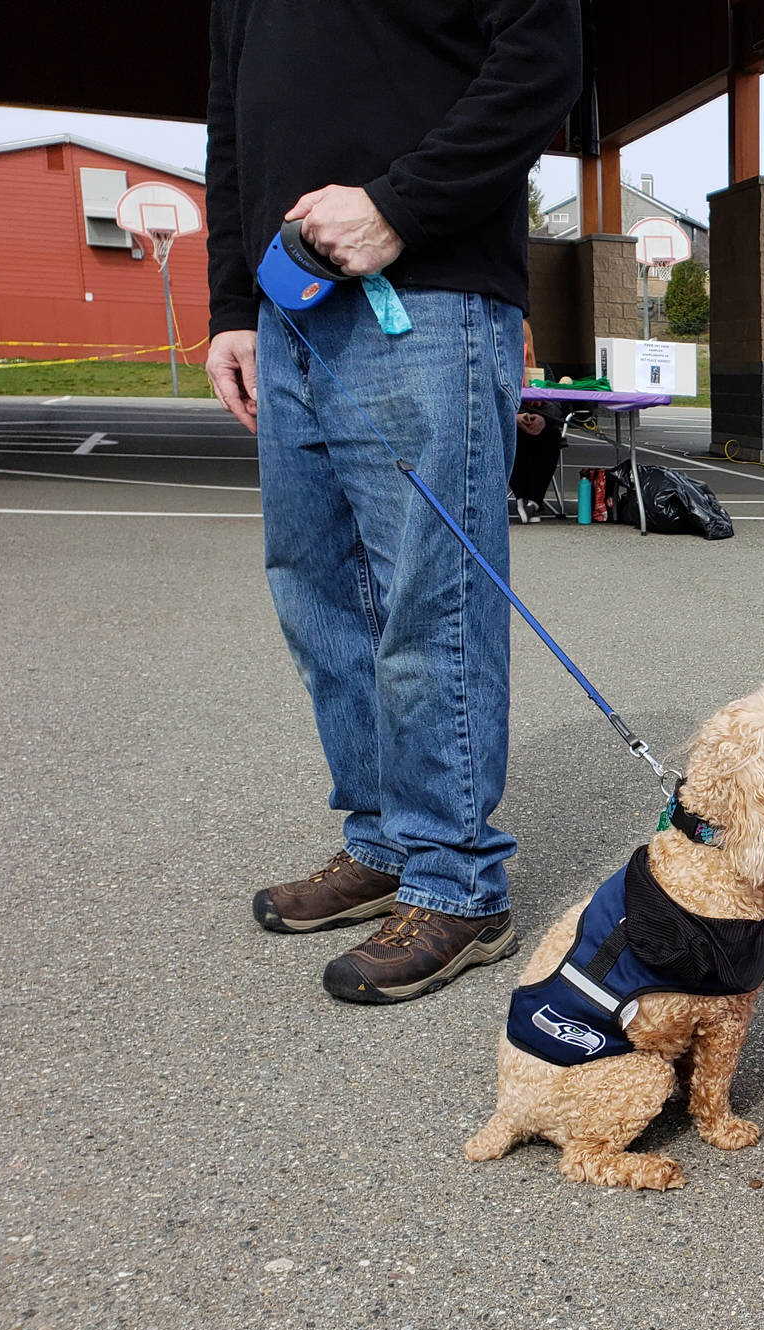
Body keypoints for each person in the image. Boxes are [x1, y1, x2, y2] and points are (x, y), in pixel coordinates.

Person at [204, 0, 578, 1003]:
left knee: (430, 599)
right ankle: (382, 841)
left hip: (428, 292)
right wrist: (233, 305)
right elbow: (232, 119)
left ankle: (457, 881)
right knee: (315, 589)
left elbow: (543, 57)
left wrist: (400, 205)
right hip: (285, 309)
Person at [511, 320, 567, 521]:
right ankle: (523, 498)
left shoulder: (543, 369)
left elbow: (556, 404)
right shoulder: (500, 369)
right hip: (513, 423)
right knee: (512, 436)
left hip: (540, 425)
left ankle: (533, 501)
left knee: (552, 436)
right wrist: (514, 418)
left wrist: (543, 418)